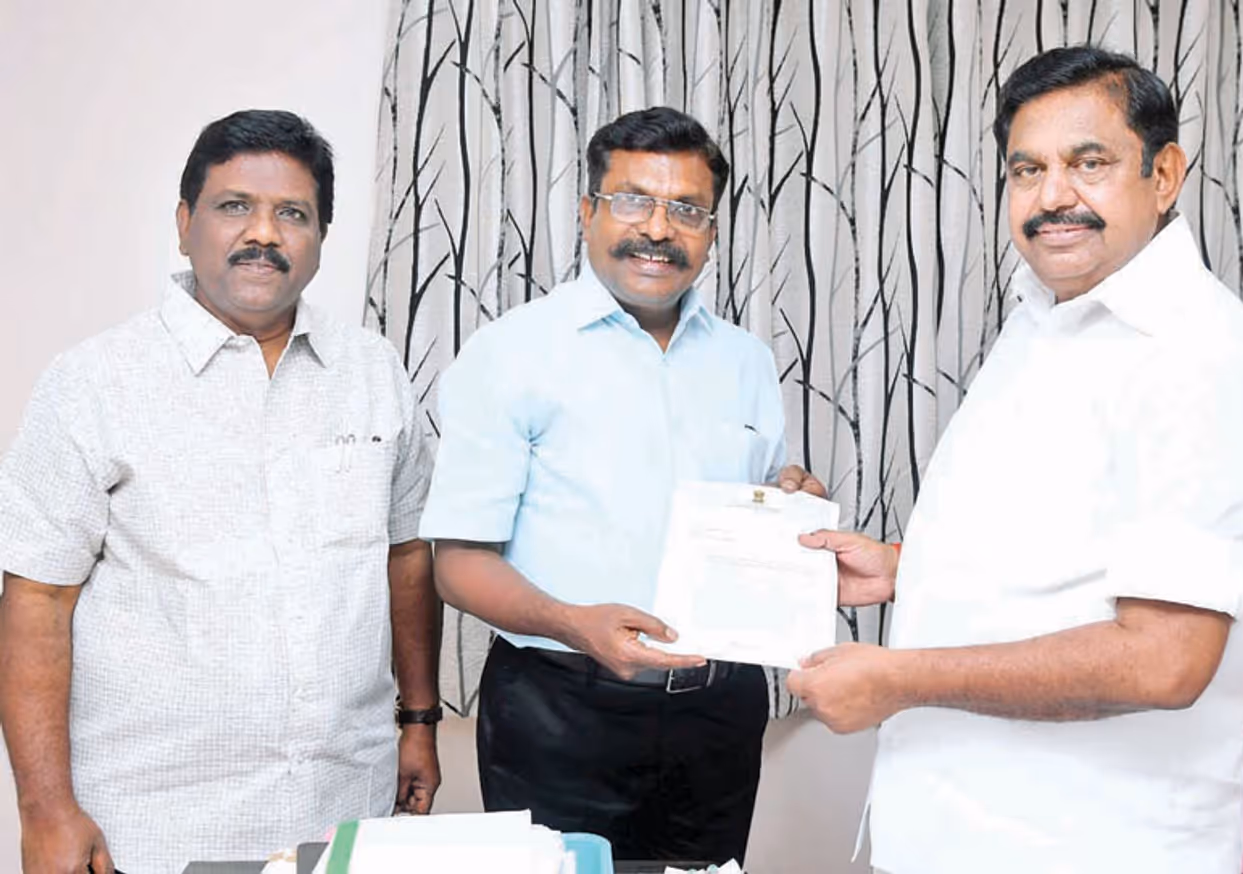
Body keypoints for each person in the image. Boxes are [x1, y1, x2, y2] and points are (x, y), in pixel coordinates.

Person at [787, 45, 1243, 874]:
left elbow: (1164, 659)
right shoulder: (1046, 314)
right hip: (958, 839)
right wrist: (906, 568)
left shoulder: (1199, 356)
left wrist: (899, 680)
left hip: (1090, 849)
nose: (1053, 197)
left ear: (1164, 175)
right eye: (1028, 170)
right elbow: (1070, 538)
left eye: (1090, 164)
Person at [0, 110, 442, 874]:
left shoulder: (374, 373)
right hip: (153, 826)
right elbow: (36, 599)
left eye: (292, 214)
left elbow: (407, 556)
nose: (263, 233)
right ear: (185, 225)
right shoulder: (93, 383)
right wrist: (45, 811)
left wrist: (420, 720)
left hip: (344, 810)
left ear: (321, 237)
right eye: (235, 206)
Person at [420, 106, 822, 864]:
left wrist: (789, 502)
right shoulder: (510, 353)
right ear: (587, 212)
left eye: (688, 210)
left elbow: (759, 500)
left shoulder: (745, 360)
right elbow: (458, 564)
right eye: (634, 201)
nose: (659, 230)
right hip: (558, 709)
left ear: (711, 230)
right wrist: (575, 624)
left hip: (720, 710)